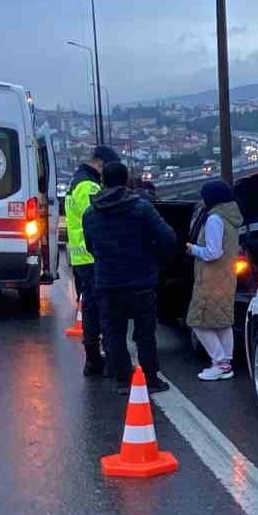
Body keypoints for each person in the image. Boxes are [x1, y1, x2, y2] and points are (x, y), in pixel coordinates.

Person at [81, 160, 176, 394]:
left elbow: (90, 246)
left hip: (107, 282)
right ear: (126, 181)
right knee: (145, 334)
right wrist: (153, 257)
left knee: (114, 333)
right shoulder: (142, 208)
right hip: (141, 280)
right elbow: (168, 238)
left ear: (102, 182)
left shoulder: (91, 213)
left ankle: (122, 380)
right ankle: (151, 379)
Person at [184, 179, 243, 381]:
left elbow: (213, 252)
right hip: (226, 277)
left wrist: (192, 249)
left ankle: (220, 363)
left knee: (197, 322)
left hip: (211, 279)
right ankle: (226, 362)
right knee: (223, 323)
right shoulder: (231, 217)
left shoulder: (214, 219)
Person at [64, 153, 105, 376]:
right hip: (93, 256)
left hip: (81, 256)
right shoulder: (89, 186)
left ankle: (93, 358)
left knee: (90, 305)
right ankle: (97, 359)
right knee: (98, 307)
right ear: (100, 164)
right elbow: (100, 217)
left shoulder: (75, 182)